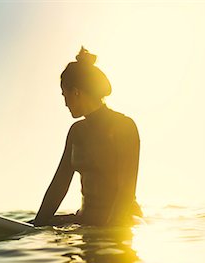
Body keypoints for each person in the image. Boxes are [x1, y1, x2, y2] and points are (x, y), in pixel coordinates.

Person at [33, 47, 142, 227]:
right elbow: (59, 185)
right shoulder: (76, 132)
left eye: (64, 95)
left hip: (121, 222)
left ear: (76, 91)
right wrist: (35, 227)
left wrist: (110, 232)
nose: (65, 103)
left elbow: (126, 191)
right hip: (86, 220)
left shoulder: (125, 126)